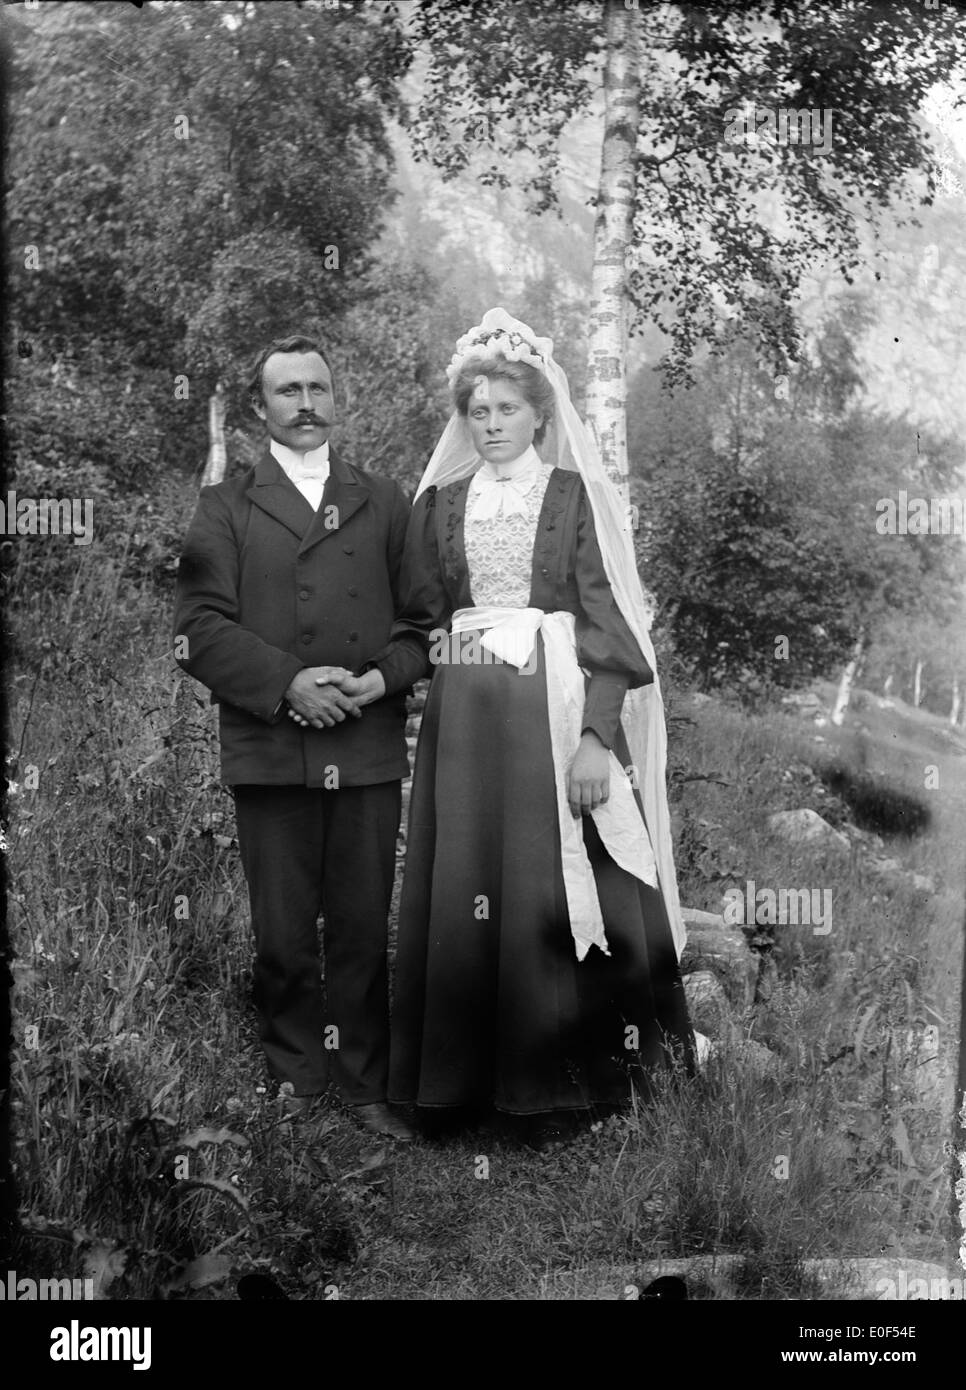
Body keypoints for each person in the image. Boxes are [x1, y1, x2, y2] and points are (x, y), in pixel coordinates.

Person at [358, 308, 695, 1143]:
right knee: (467, 883)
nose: (492, 424)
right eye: (478, 412)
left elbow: (611, 632)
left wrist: (594, 740)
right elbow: (421, 623)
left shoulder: (573, 498)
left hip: (557, 713)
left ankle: (568, 1095)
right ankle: (457, 1094)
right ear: (462, 419)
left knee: (557, 879)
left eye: (507, 409)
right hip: (467, 724)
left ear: (540, 413)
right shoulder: (439, 505)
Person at [172, 333, 415, 1141]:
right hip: (271, 750)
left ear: (335, 397)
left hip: (367, 745)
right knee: (282, 932)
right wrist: (288, 686)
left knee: (358, 922)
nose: (306, 403)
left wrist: (377, 680)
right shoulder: (224, 507)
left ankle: (363, 1083)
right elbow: (199, 631)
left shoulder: (385, 498)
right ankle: (296, 1083)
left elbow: (427, 626)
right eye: (288, 391)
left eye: (318, 387)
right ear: (259, 409)